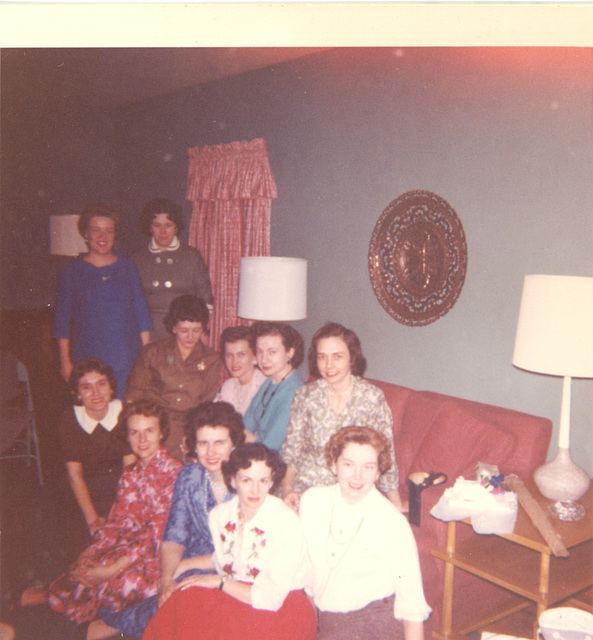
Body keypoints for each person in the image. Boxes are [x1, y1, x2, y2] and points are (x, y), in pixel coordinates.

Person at [90, 401, 245, 640]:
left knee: (188, 600)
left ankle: (112, 626)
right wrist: (166, 576)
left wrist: (180, 570)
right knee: (172, 593)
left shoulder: (247, 481)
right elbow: (174, 535)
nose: (211, 452)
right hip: (191, 559)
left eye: (219, 443)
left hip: (234, 565)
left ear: (234, 444)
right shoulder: (189, 476)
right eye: (203, 443)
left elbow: (243, 549)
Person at [141, 443, 316, 640]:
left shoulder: (286, 522)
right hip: (237, 594)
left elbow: (270, 598)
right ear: (233, 480)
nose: (255, 490)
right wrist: (181, 567)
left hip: (281, 607)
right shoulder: (220, 516)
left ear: (271, 481)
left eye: (263, 480)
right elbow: (229, 560)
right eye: (247, 480)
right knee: (184, 598)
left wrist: (218, 581)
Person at [46, 400, 183, 627]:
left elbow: (157, 531)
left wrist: (113, 568)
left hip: (159, 552)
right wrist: (92, 550)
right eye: (134, 433)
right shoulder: (130, 473)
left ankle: (103, 620)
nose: (142, 440)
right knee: (79, 574)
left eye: (149, 431)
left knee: (118, 583)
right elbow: (116, 521)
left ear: (161, 433)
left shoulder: (175, 472)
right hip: (128, 546)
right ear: (127, 437)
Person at [300, 426, 431, 640]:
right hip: (324, 619)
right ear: (334, 464)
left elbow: (411, 601)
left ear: (378, 472)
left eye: (368, 467)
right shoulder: (312, 502)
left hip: (372, 622)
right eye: (348, 464)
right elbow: (308, 574)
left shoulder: (392, 523)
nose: (357, 476)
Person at [281, 321, 403, 511]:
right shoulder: (305, 396)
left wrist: (396, 506)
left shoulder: (372, 398)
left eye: (337, 356)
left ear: (352, 358)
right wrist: (287, 489)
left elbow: (385, 455)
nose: (329, 365)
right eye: (322, 357)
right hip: (308, 486)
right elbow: (292, 453)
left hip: (354, 486)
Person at [53, 203, 152, 398]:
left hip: (126, 359)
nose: (102, 237)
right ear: (85, 233)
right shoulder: (72, 271)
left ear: (115, 235)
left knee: (126, 415)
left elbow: (142, 314)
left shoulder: (127, 267)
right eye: (96, 230)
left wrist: (146, 360)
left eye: (108, 231)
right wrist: (65, 361)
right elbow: (62, 320)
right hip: (89, 360)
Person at [125, 295, 223, 459]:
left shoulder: (211, 359)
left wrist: (191, 434)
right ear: (173, 327)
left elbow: (206, 404)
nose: (190, 336)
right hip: (156, 425)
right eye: (184, 330)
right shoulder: (153, 352)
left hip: (191, 426)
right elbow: (134, 396)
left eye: (197, 330)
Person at [59, 358, 135, 538]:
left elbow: (129, 471)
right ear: (77, 393)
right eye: (86, 387)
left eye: (102, 384)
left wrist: (113, 516)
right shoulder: (68, 419)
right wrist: (92, 520)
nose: (96, 393)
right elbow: (74, 476)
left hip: (122, 494)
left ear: (111, 388)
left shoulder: (125, 412)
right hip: (83, 498)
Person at [132, 198, 213, 341]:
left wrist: (203, 337)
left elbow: (205, 301)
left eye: (168, 225)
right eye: (157, 225)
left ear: (176, 227)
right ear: (150, 227)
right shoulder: (137, 259)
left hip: (184, 333)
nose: (163, 231)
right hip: (149, 333)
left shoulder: (192, 256)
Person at [243, 322, 304, 452]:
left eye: (272, 352)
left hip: (276, 462)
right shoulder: (271, 380)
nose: (264, 359)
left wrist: (244, 436)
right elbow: (247, 423)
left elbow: (271, 447)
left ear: (290, 352)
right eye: (259, 352)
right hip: (258, 453)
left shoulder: (295, 393)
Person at [216, 326, 266, 416]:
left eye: (241, 355)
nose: (234, 361)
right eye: (229, 355)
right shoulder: (228, 386)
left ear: (255, 357)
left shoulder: (264, 384)